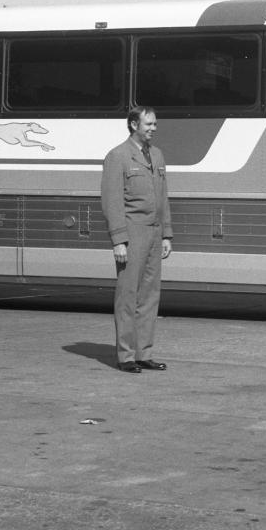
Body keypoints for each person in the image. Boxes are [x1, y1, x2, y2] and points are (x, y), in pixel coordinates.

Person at [100, 106, 173, 373]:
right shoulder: (117, 157)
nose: (153, 128)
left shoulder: (157, 155)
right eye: (148, 124)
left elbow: (163, 197)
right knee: (128, 296)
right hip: (132, 234)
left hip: (154, 234)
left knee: (150, 296)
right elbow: (112, 201)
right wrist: (118, 240)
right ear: (133, 125)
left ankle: (144, 353)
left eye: (155, 124)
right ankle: (126, 356)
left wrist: (166, 233)